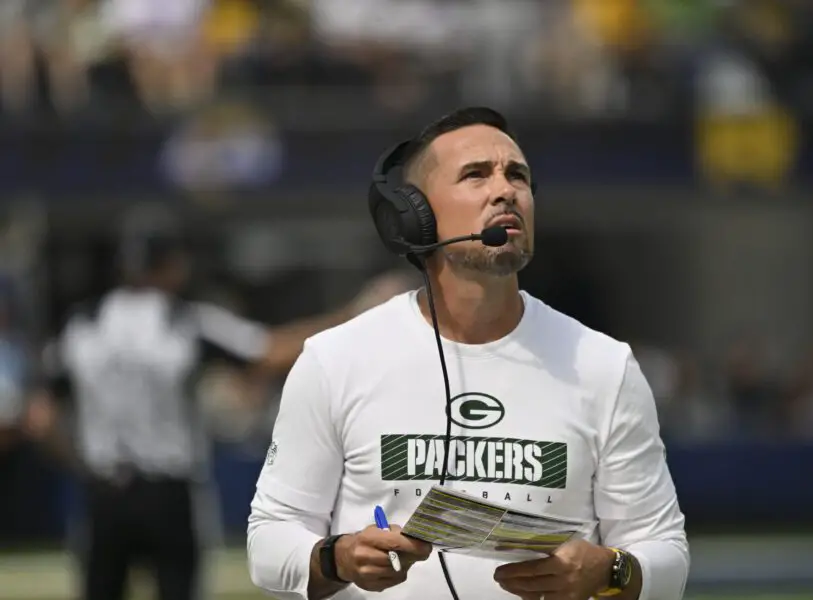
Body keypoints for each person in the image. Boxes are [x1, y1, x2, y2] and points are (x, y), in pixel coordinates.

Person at [247, 106, 689, 600]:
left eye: (517, 174)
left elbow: (664, 550)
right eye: (476, 174)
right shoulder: (335, 359)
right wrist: (339, 557)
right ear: (415, 215)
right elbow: (269, 541)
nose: (506, 190)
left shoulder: (604, 365)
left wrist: (612, 570)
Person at [24, 207, 414, 600]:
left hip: (103, 491)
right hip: (169, 491)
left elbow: (39, 417)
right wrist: (354, 313)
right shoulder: (183, 321)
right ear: (171, 265)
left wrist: (82, 464)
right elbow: (270, 352)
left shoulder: (83, 325)